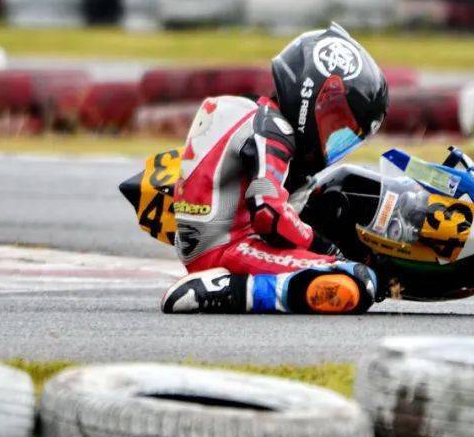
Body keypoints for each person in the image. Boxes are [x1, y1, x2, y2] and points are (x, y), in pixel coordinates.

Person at [161, 23, 389, 314]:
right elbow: (268, 212)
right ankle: (224, 291)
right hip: (231, 248)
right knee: (357, 280)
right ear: (311, 94)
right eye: (334, 124)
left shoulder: (252, 114)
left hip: (220, 242)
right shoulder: (274, 129)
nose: (331, 139)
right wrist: (326, 249)